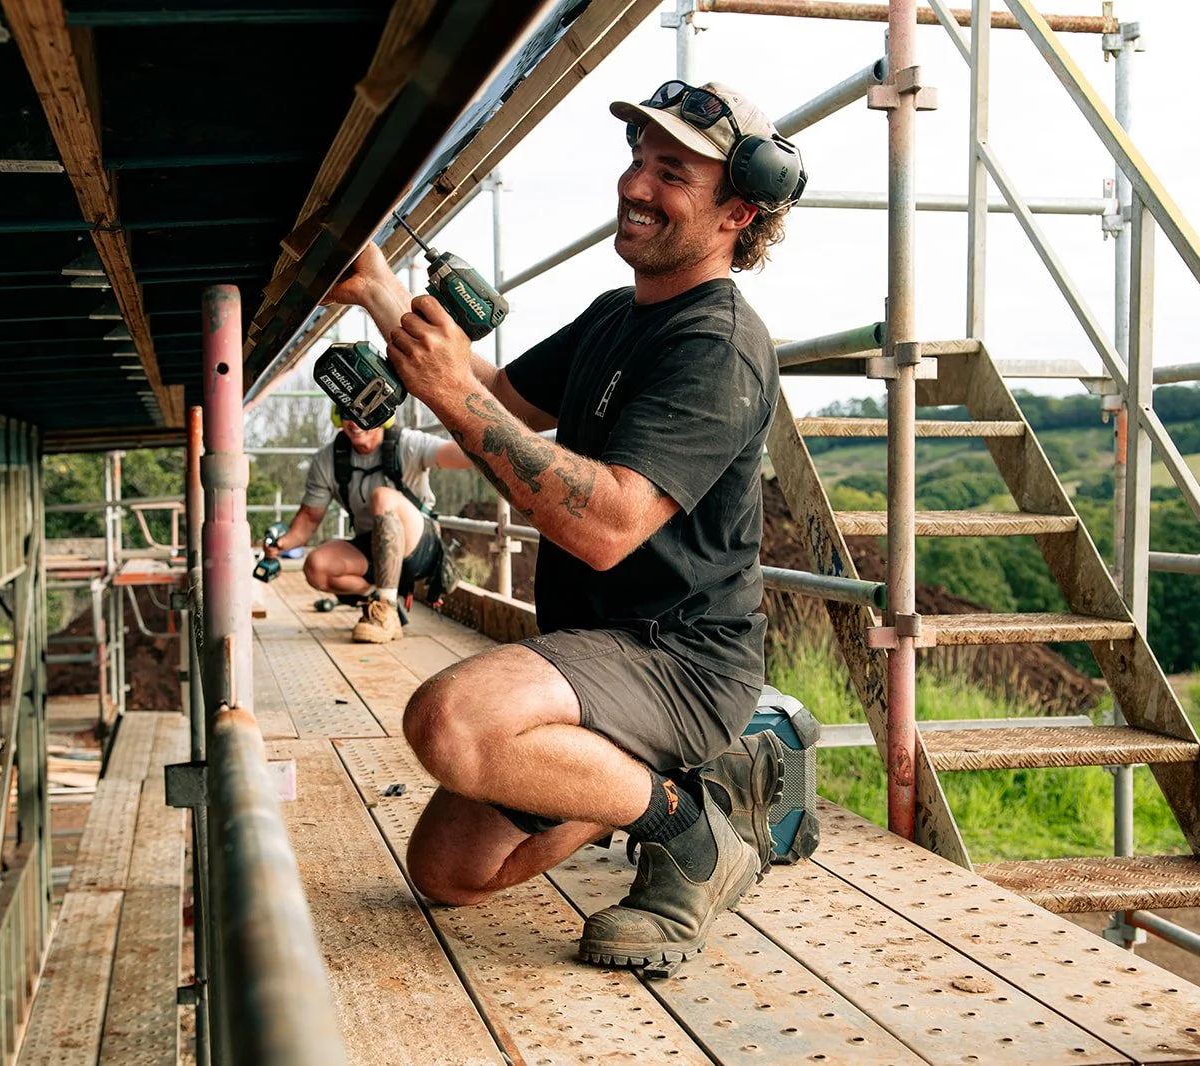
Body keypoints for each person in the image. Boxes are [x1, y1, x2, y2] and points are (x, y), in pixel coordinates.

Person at [324, 81, 804, 971]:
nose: (634, 185)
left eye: (671, 174)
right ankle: (651, 786)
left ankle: (693, 835)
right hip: (595, 650)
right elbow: (501, 398)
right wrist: (380, 292)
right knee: (449, 874)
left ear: (739, 210)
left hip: (682, 661)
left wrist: (454, 396)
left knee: (454, 723)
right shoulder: (616, 316)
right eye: (636, 161)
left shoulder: (719, 343)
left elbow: (608, 525)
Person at [264, 407, 473, 643]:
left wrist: (480, 433)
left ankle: (384, 610)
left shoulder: (406, 443)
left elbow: (458, 455)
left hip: (418, 547)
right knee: (316, 566)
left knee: (382, 497)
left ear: (381, 415)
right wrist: (281, 544)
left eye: (363, 413)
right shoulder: (328, 460)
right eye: (346, 413)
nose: (354, 422)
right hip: (372, 546)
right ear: (337, 417)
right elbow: (310, 518)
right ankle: (380, 601)